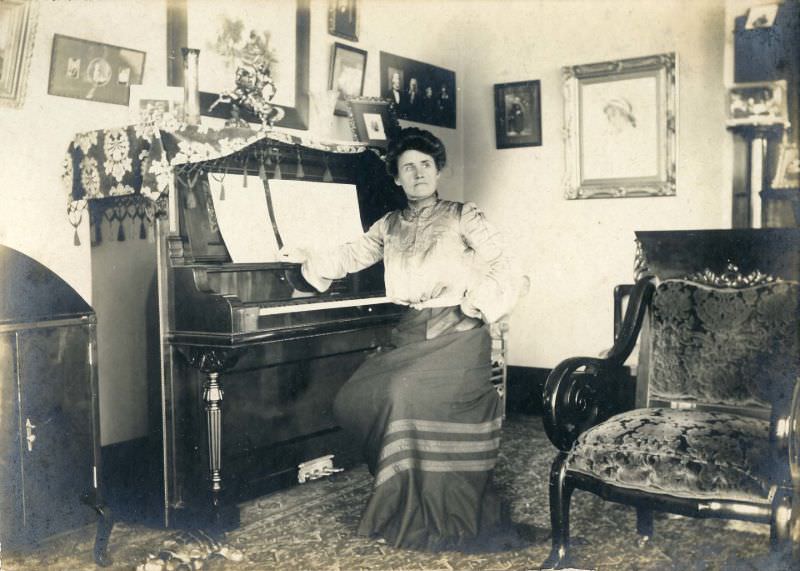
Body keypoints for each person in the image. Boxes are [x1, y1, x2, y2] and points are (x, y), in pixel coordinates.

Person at [281, 127, 525, 550]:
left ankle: (422, 504)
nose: (418, 174)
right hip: (410, 331)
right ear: (396, 177)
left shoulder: (464, 215)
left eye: (426, 165)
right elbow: (350, 255)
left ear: (438, 170)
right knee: (353, 397)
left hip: (460, 331)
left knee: (400, 393)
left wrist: (476, 306)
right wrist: (307, 261)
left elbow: (509, 267)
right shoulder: (388, 225)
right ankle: (402, 496)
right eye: (408, 167)